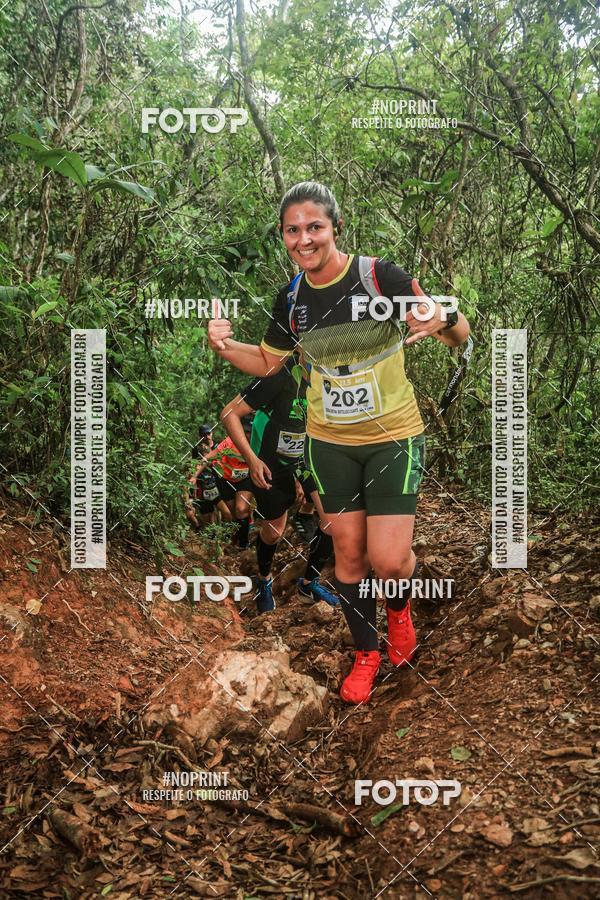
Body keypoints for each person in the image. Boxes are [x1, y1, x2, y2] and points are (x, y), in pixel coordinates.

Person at [208, 181, 470, 704]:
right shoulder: (293, 299)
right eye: (292, 230)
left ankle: (400, 614)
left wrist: (443, 318)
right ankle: (365, 654)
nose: (304, 239)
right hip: (329, 442)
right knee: (349, 558)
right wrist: (223, 344)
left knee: (390, 560)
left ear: (335, 228)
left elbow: (457, 333)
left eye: (314, 227)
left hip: (393, 434)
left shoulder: (378, 277)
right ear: (283, 236)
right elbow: (267, 363)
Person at [220, 359, 338, 613]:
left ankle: (308, 583)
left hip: (307, 461)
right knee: (274, 532)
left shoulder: (334, 376)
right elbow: (230, 413)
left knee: (332, 521)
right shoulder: (278, 375)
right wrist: (252, 459)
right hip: (272, 465)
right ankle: (263, 581)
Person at [193, 421, 255, 548]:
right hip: (225, 479)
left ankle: (243, 544)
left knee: (241, 509)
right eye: (246, 432)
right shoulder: (229, 443)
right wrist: (194, 476)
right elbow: (207, 458)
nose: (248, 436)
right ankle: (236, 538)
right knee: (233, 514)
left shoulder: (258, 443)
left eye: (251, 432)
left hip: (244, 479)